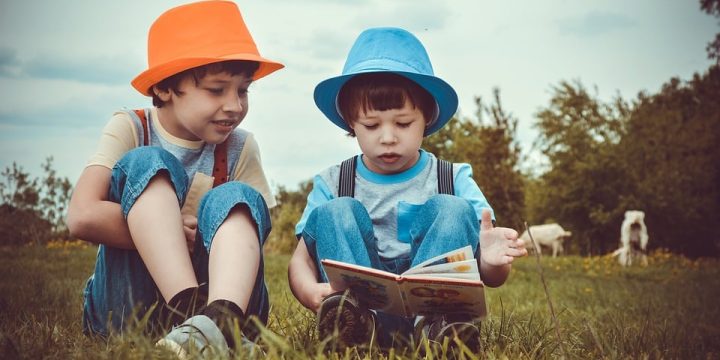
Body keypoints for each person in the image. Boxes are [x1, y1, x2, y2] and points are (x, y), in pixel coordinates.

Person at [288, 27, 527, 351]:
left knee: (453, 208)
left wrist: (493, 263)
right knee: (336, 211)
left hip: (434, 314)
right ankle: (352, 327)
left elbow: (491, 276)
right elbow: (300, 261)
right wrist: (308, 291)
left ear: (426, 117)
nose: (388, 137)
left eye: (403, 124)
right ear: (350, 121)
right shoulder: (333, 182)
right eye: (371, 125)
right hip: (362, 313)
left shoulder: (452, 178)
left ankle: (440, 332)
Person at [66, 1, 283, 357]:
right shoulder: (132, 127)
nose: (234, 105)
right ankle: (192, 314)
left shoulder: (241, 146)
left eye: (243, 90)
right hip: (129, 309)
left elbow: (255, 231)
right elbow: (82, 215)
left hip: (222, 293)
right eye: (217, 90)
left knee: (237, 197)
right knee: (149, 162)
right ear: (166, 88)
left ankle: (221, 319)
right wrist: (167, 232)